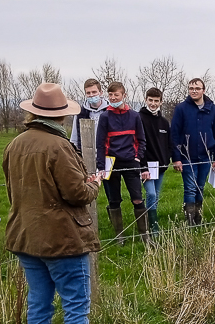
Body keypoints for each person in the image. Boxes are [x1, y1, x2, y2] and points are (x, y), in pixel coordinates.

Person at [3, 83, 126, 324]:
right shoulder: (58, 147)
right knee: (75, 306)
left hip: (26, 237)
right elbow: (77, 193)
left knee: (39, 302)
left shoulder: (14, 144)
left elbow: (12, 192)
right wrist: (93, 183)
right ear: (60, 116)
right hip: (62, 239)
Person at [95, 81, 147, 244]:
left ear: (124, 96)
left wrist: (138, 157)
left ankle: (144, 234)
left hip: (131, 161)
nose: (113, 98)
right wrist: (101, 167)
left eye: (116, 95)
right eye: (110, 95)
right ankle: (119, 235)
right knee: (114, 200)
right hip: (111, 162)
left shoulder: (134, 115)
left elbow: (141, 139)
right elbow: (100, 142)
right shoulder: (105, 117)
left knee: (137, 198)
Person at [169, 78, 215, 225]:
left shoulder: (212, 109)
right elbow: (174, 133)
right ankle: (190, 221)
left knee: (200, 187)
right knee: (190, 189)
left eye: (197, 88)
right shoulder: (181, 109)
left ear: (203, 90)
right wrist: (176, 158)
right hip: (187, 156)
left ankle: (198, 218)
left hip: (205, 156)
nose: (194, 90)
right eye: (191, 88)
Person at [139, 87, 171, 236]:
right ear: (146, 100)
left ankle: (151, 222)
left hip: (161, 166)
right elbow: (139, 144)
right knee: (150, 194)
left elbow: (167, 143)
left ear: (161, 102)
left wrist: (167, 159)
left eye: (156, 101)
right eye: (150, 100)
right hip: (145, 166)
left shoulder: (164, 122)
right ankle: (153, 226)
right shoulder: (138, 118)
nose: (153, 103)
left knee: (156, 195)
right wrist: (142, 166)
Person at [69, 78, 108, 154]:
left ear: (100, 93)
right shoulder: (80, 113)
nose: (91, 95)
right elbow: (74, 138)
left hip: (107, 154)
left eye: (94, 92)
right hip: (86, 155)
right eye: (88, 93)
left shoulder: (109, 111)